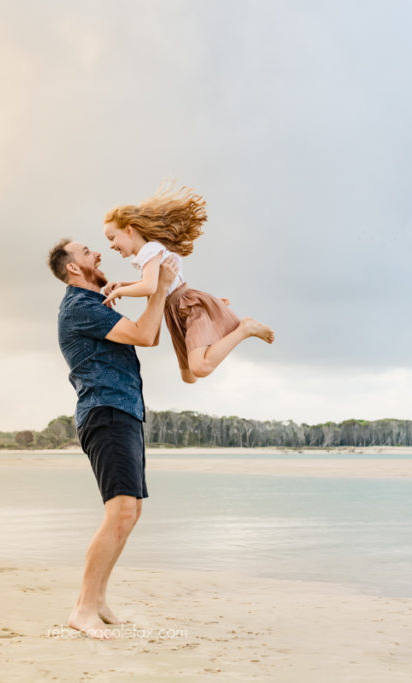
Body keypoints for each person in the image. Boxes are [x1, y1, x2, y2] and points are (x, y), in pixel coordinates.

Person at [48, 237, 177, 639]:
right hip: (106, 412)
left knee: (130, 512)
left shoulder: (94, 304)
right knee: (120, 511)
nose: (98, 254)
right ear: (73, 268)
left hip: (124, 411)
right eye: (88, 252)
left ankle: (98, 600)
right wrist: (159, 289)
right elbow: (144, 334)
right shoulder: (81, 307)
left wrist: (160, 290)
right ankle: (83, 608)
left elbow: (147, 334)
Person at [102, 185, 274, 384]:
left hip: (187, 307)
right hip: (174, 313)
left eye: (112, 238)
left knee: (200, 368)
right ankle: (213, 317)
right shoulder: (147, 255)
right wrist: (122, 284)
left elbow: (149, 287)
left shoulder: (150, 250)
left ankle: (245, 328)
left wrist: (120, 291)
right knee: (189, 376)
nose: (111, 245)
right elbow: (155, 283)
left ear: (129, 230)